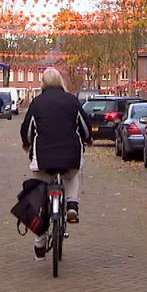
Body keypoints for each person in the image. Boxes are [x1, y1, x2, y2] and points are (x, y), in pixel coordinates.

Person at [20, 68, 91, 260]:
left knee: (40, 194)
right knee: (73, 175)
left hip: (43, 158)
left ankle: (40, 242)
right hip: (70, 157)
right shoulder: (72, 101)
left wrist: (27, 145)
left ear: (42, 82)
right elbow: (85, 128)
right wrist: (88, 138)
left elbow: (26, 131)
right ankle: (72, 205)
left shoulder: (37, 103)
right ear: (61, 81)